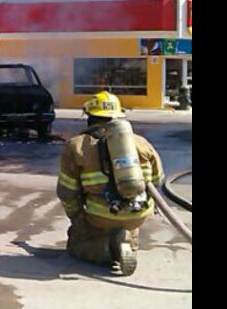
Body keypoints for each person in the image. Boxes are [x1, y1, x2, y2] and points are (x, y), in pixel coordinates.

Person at [57, 91, 164, 275]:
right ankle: (125, 241)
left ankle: (110, 249)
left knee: (75, 242)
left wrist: (77, 219)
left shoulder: (76, 146)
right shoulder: (141, 143)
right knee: (128, 236)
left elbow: (67, 191)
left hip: (99, 216)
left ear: (90, 117)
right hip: (137, 213)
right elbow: (158, 179)